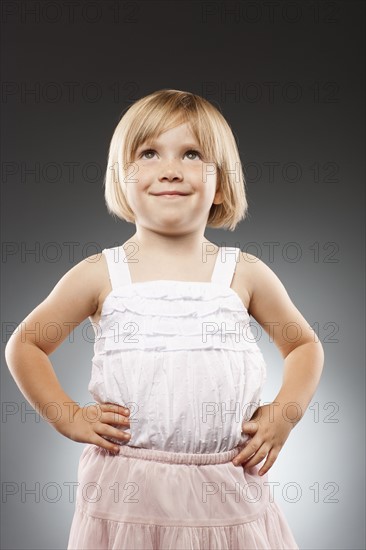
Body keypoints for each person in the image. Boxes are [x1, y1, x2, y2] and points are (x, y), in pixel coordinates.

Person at [5, 89, 324, 549]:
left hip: (227, 487)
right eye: (149, 153)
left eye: (192, 154)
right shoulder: (101, 273)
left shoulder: (244, 272)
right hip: (126, 491)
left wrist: (284, 414)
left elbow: (304, 346)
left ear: (222, 181)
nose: (170, 168)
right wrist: (67, 416)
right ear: (123, 175)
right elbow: (26, 344)